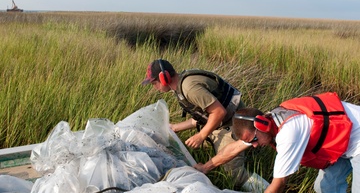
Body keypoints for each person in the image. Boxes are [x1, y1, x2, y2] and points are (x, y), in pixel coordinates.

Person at [142, 59, 268, 191]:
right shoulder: (181, 86)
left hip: (233, 124)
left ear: (164, 78)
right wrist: (175, 127)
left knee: (234, 175)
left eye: (154, 82)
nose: (154, 87)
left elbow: (219, 112)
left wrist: (201, 135)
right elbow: (203, 116)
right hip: (220, 123)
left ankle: (268, 189)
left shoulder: (190, 88)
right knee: (199, 151)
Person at [229, 92, 360, 193]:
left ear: (262, 125)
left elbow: (278, 183)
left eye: (254, 140)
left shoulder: (288, 133)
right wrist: (207, 168)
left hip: (356, 140)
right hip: (344, 143)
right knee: (326, 187)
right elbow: (233, 149)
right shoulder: (269, 122)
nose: (255, 145)